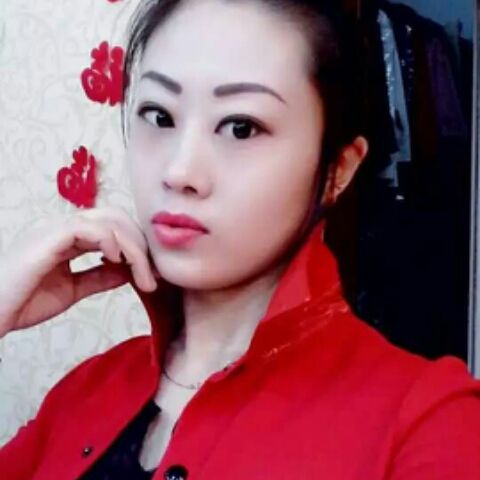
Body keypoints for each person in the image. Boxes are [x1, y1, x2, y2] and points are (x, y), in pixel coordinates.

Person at [1, 0, 479, 478]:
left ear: (338, 169)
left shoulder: (428, 422)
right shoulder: (85, 391)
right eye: (160, 116)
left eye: (241, 127)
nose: (179, 171)